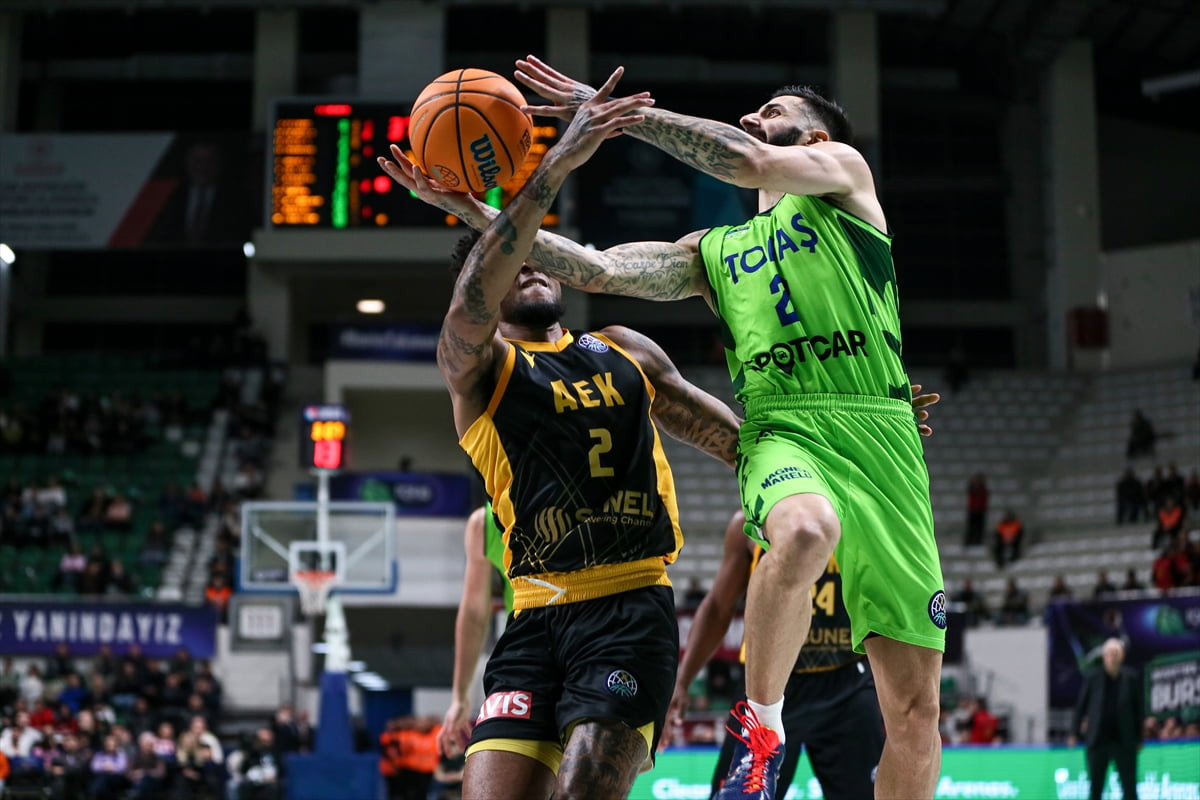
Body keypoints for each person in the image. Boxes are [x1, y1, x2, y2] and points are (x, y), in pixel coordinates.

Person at [384, 56, 948, 800]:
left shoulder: (841, 174)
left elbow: (743, 158)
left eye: (771, 110)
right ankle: (762, 726)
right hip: (786, 427)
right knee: (805, 531)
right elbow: (595, 269)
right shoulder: (710, 252)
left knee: (916, 712)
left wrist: (616, 112)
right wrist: (472, 212)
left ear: (812, 139)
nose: (752, 120)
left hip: (881, 435)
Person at [380, 72, 744, 800]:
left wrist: (845, 425)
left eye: (544, 257)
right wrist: (550, 168)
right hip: (533, 620)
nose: (534, 267)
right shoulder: (477, 369)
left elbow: (738, 440)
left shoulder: (625, 349)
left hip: (629, 612)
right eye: (516, 261)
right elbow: (477, 290)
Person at [667, 509, 890, 799]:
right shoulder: (749, 522)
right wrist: (683, 680)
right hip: (769, 684)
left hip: (848, 682)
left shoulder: (858, 513)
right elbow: (718, 608)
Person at [439, 502, 514, 760]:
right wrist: (459, 696)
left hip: (591, 647)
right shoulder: (485, 524)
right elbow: (474, 613)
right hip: (527, 652)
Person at [1070, 638, 1143, 800]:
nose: (1113, 657)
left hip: (1124, 742)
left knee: (1129, 788)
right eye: (1109, 654)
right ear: (1104, 656)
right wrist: (1074, 732)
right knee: (1096, 789)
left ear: (1122, 656)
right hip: (1098, 742)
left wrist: (1139, 738)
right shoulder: (1092, 679)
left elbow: (1139, 710)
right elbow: (1081, 707)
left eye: (1116, 653)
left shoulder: (1131, 679)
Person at [965, 473, 989, 547]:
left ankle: (978, 542)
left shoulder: (983, 489)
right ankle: (969, 541)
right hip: (973, 510)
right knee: (971, 527)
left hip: (981, 511)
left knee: (980, 528)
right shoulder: (972, 489)